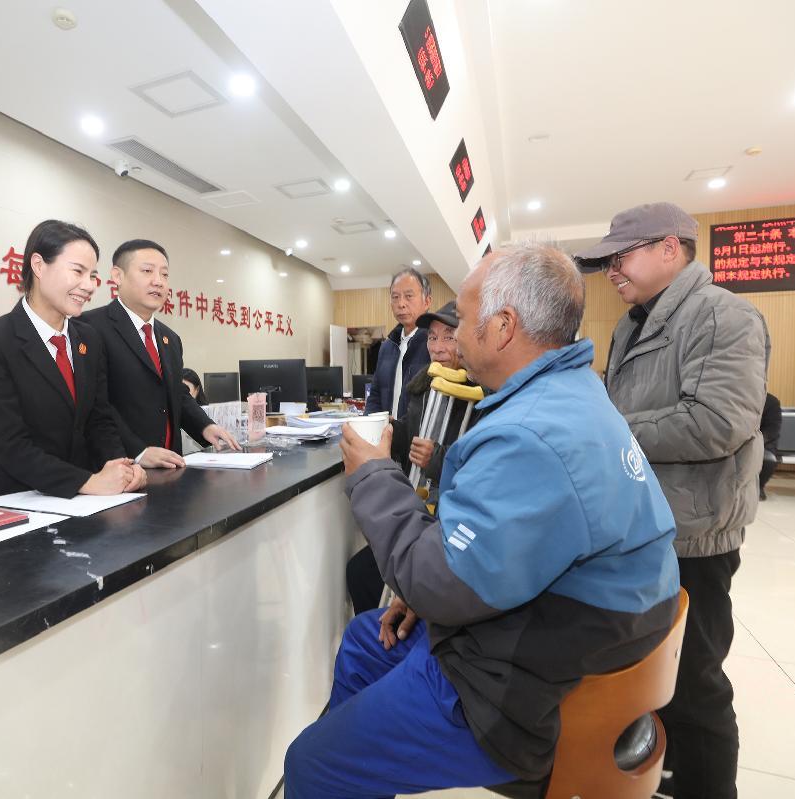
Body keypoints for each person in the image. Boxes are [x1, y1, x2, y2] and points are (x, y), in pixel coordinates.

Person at [284, 243, 680, 798]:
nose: (452, 339)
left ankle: (347, 761)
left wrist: (372, 475)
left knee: (311, 762)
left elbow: (442, 585)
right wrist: (434, 590)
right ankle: (362, 750)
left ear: (502, 327)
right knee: (364, 640)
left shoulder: (529, 435)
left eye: (464, 321)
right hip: (561, 628)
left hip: (522, 687)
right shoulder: (575, 392)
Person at [576, 202, 770, 799]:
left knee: (695, 684)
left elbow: (717, 423)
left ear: (669, 247)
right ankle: (670, 775)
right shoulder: (630, 324)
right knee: (652, 675)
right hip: (642, 528)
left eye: (622, 255)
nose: (612, 270)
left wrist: (609, 430)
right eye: (606, 261)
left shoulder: (724, 315)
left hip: (693, 536)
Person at [0, 220, 146, 501]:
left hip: (86, 500)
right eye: (78, 271)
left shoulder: (89, 338)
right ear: (39, 266)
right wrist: (86, 481)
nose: (89, 286)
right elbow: (10, 444)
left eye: (93, 275)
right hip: (19, 501)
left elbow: (99, 421)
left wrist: (122, 469)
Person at [345, 300, 476, 615]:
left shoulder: (483, 395)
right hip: (419, 506)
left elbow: (479, 469)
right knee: (360, 572)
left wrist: (437, 458)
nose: (437, 347)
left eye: (449, 337)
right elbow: (412, 434)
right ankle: (381, 634)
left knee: (373, 573)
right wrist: (392, 430)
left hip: (454, 524)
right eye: (432, 337)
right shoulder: (422, 386)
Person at [82, 240, 239, 468]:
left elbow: (177, 393)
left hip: (169, 467)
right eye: (147, 271)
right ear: (118, 276)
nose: (158, 281)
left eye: (164, 274)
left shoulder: (170, 338)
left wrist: (205, 426)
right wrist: (138, 452)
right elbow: (95, 404)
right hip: (118, 467)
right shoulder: (89, 328)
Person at [364, 267, 432, 419]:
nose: (401, 304)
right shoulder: (387, 346)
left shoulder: (434, 346)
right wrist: (371, 425)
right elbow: (375, 395)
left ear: (427, 301)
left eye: (409, 296)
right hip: (386, 431)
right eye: (395, 297)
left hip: (416, 433)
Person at [759, 392, 782, 500]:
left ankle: (759, 486)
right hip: (739, 440)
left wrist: (755, 442)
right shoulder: (741, 397)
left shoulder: (771, 401)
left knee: (768, 459)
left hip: (764, 443)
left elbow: (772, 430)